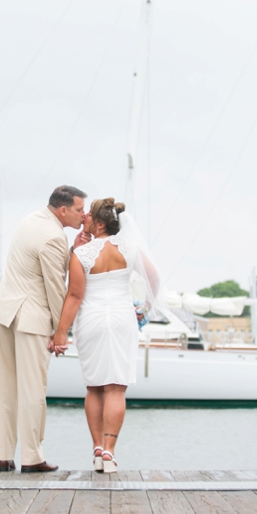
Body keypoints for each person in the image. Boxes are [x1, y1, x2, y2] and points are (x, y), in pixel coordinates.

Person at [49, 198, 161, 474]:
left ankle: (97, 448)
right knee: (116, 387)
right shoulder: (130, 248)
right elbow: (154, 280)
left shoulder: (82, 254)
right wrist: (144, 308)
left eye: (88, 216)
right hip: (123, 320)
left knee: (94, 387)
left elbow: (74, 295)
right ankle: (110, 452)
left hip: (92, 321)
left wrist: (61, 333)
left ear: (99, 224)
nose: (83, 218)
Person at [0, 185, 89, 473]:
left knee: (7, 389)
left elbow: (37, 263)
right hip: (31, 318)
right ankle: (32, 457)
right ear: (63, 210)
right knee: (33, 390)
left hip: (5, 312)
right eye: (79, 210)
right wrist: (61, 332)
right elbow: (56, 287)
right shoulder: (54, 237)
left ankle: (4, 455)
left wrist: (72, 250)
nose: (83, 216)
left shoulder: (31, 220)